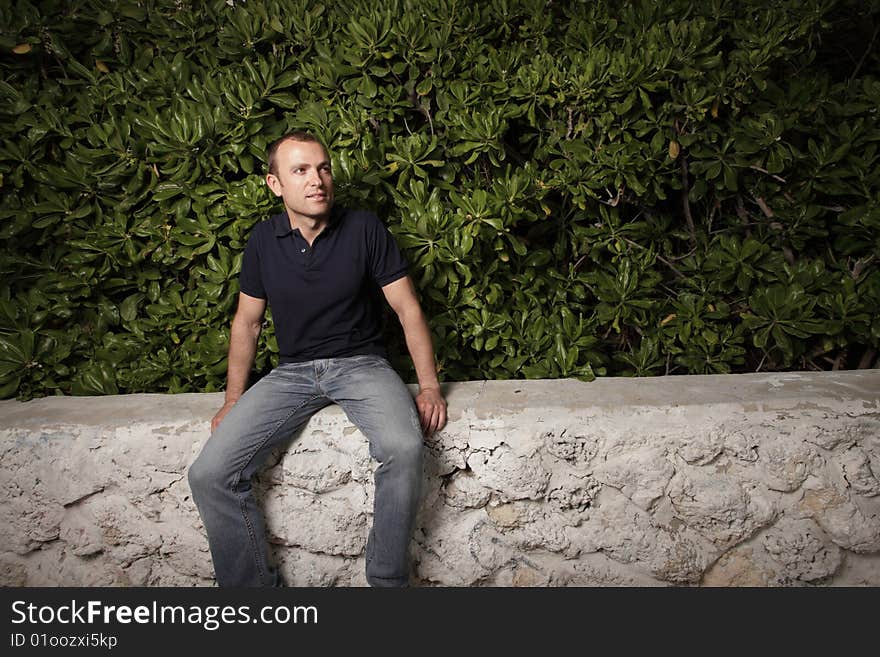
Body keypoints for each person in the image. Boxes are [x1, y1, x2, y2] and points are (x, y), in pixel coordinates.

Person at [188, 131, 447, 587]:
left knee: (404, 448)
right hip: (292, 373)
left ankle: (387, 584)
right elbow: (246, 324)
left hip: (361, 366)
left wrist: (428, 386)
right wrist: (232, 399)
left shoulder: (364, 228)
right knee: (210, 474)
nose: (317, 180)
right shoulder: (263, 241)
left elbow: (407, 310)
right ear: (275, 184)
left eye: (323, 168)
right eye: (301, 170)